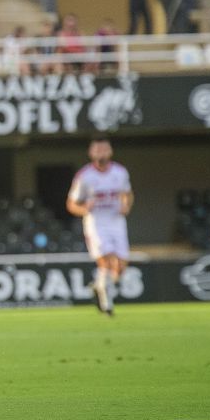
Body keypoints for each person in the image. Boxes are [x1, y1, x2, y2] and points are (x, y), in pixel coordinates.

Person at [66, 135, 133, 316]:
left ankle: (98, 287)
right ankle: (106, 303)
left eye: (104, 149)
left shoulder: (120, 172)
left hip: (116, 221)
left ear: (110, 151)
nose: (101, 153)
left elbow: (127, 194)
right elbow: (71, 204)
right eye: (97, 149)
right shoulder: (84, 176)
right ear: (90, 153)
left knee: (120, 267)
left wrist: (126, 205)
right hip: (97, 222)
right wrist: (84, 209)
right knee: (107, 260)